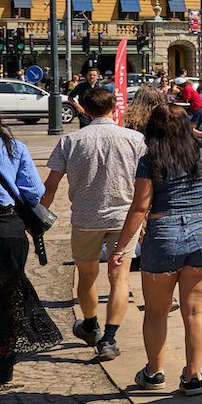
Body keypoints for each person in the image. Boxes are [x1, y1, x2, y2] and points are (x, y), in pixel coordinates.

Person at [110, 104, 202, 398]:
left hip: (163, 234)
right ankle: (193, 376)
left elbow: (141, 206)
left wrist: (122, 247)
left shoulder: (150, 160)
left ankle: (154, 372)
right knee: (196, 311)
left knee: (156, 312)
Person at [42, 86, 143, 362]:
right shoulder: (135, 139)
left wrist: (38, 215)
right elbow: (145, 183)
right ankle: (109, 339)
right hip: (124, 218)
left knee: (86, 276)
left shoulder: (70, 141)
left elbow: (51, 186)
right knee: (119, 278)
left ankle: (91, 324)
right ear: (114, 108)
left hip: (86, 218)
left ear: (84, 110)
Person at [0, 105, 49, 404]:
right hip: (9, 230)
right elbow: (34, 192)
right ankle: (5, 360)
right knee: (10, 295)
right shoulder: (14, 148)